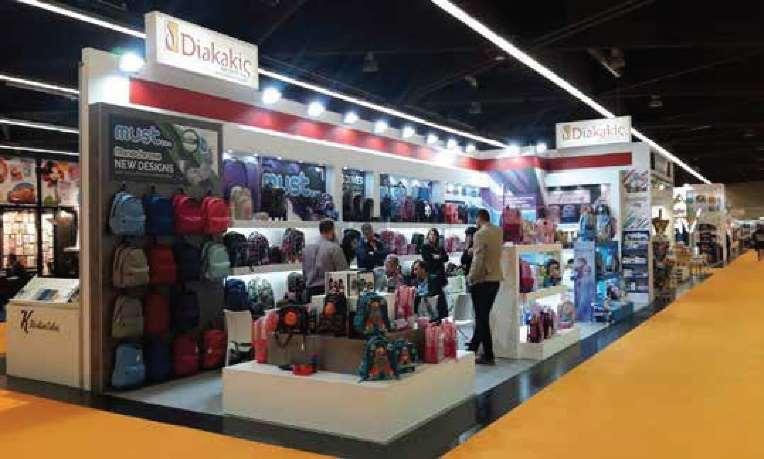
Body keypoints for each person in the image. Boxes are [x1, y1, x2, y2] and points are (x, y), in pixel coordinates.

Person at [467, 209, 503, 366]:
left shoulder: (480, 234)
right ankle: (477, 350)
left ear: (479, 218)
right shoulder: (498, 231)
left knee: (481, 318)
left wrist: (471, 277)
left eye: (476, 220)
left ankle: (484, 353)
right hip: (496, 279)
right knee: (483, 317)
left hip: (482, 280)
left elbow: (478, 260)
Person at [303, 219, 349, 298]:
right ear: (332, 230)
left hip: (310, 290)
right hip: (329, 292)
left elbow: (304, 272)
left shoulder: (306, 248)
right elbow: (342, 272)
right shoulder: (334, 248)